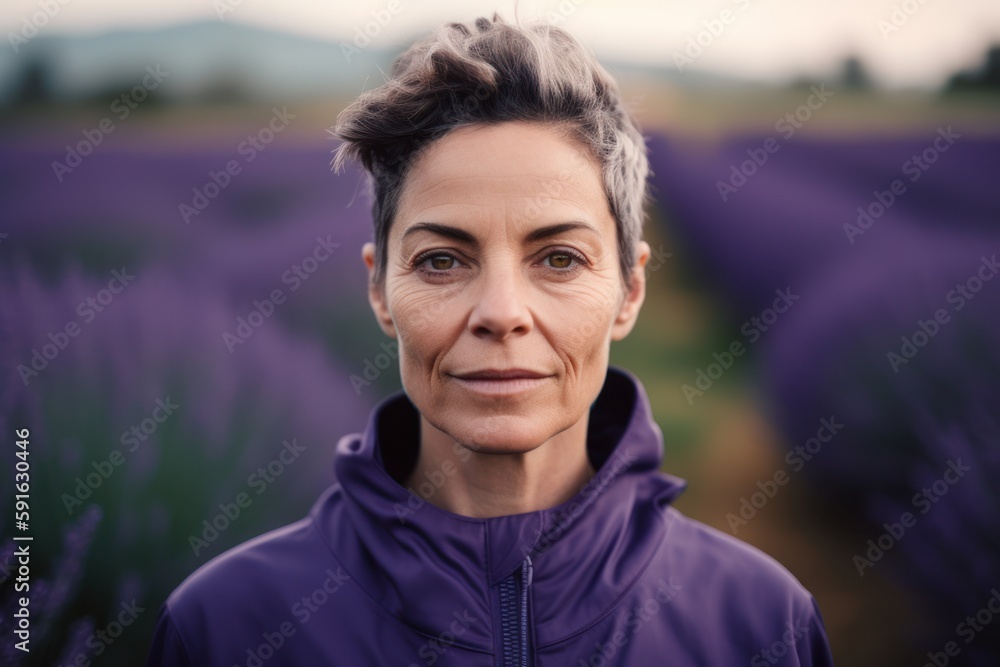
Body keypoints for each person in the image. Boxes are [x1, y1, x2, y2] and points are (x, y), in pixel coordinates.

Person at [147, 13, 834, 666]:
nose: (501, 313)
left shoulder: (761, 624)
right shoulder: (225, 626)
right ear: (380, 289)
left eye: (558, 258)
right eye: (442, 260)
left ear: (630, 290)